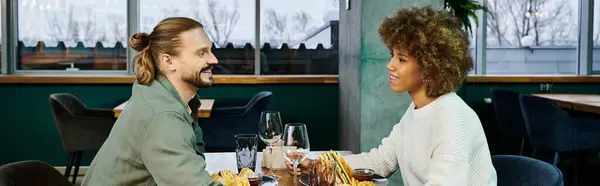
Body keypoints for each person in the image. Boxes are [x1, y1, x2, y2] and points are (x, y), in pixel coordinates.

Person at [288, 6, 497, 186]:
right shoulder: (417, 110)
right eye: (392, 55)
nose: (390, 65)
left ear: (430, 67)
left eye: (402, 59)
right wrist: (318, 165)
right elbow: (381, 161)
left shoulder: (453, 118)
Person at [81, 17, 221, 186]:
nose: (214, 60)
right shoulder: (163, 116)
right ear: (168, 61)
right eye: (201, 53)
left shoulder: (158, 94)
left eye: (210, 50)